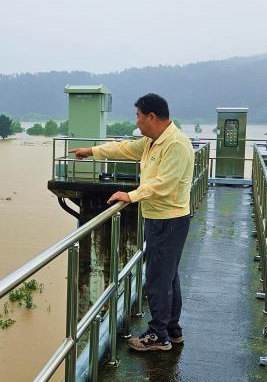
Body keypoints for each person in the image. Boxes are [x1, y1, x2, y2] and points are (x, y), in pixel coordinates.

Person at [70, 93, 194, 351]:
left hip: (168, 219)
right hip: (160, 218)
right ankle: (172, 329)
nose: (136, 122)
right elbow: (123, 148)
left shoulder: (176, 144)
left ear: (151, 116)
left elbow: (164, 184)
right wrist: (91, 152)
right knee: (168, 277)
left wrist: (130, 195)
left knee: (158, 279)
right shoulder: (152, 141)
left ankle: (159, 336)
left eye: (138, 116)